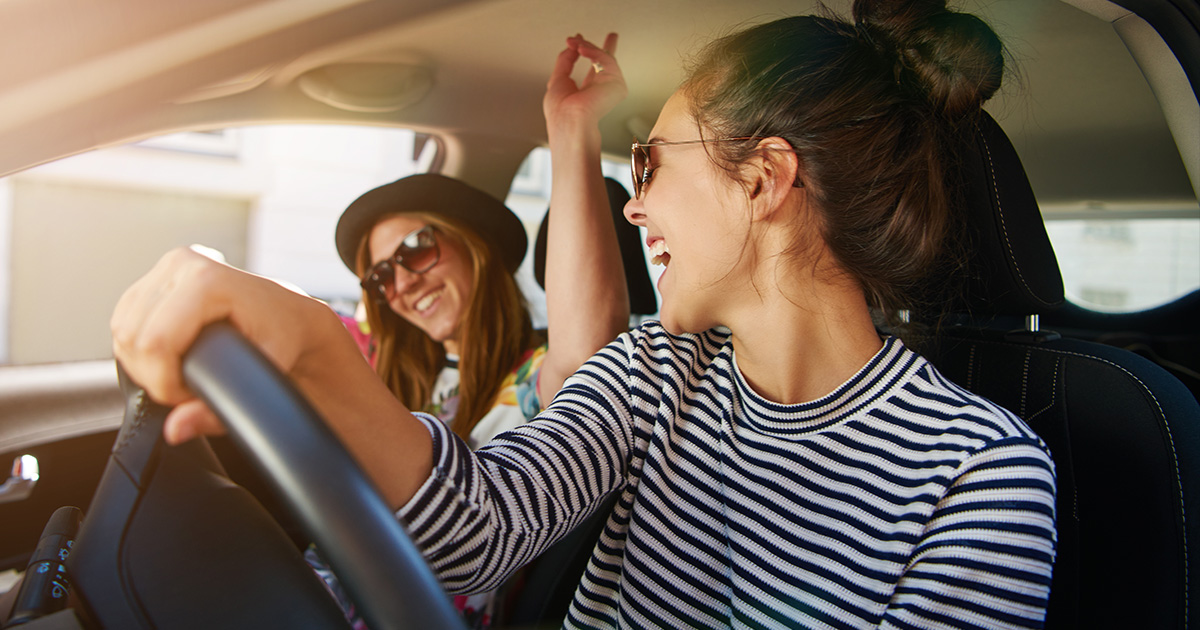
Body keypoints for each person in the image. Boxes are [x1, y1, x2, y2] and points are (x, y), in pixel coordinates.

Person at [111, 1, 1057, 628]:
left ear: (763, 179)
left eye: (648, 165)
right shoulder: (656, 372)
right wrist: (317, 352)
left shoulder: (985, 476)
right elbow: (479, 525)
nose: (633, 204)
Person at [305, 34, 632, 629]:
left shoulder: (531, 380)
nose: (400, 283)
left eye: (414, 249)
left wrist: (571, 127)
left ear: (473, 249)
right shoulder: (399, 381)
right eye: (379, 278)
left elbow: (590, 350)